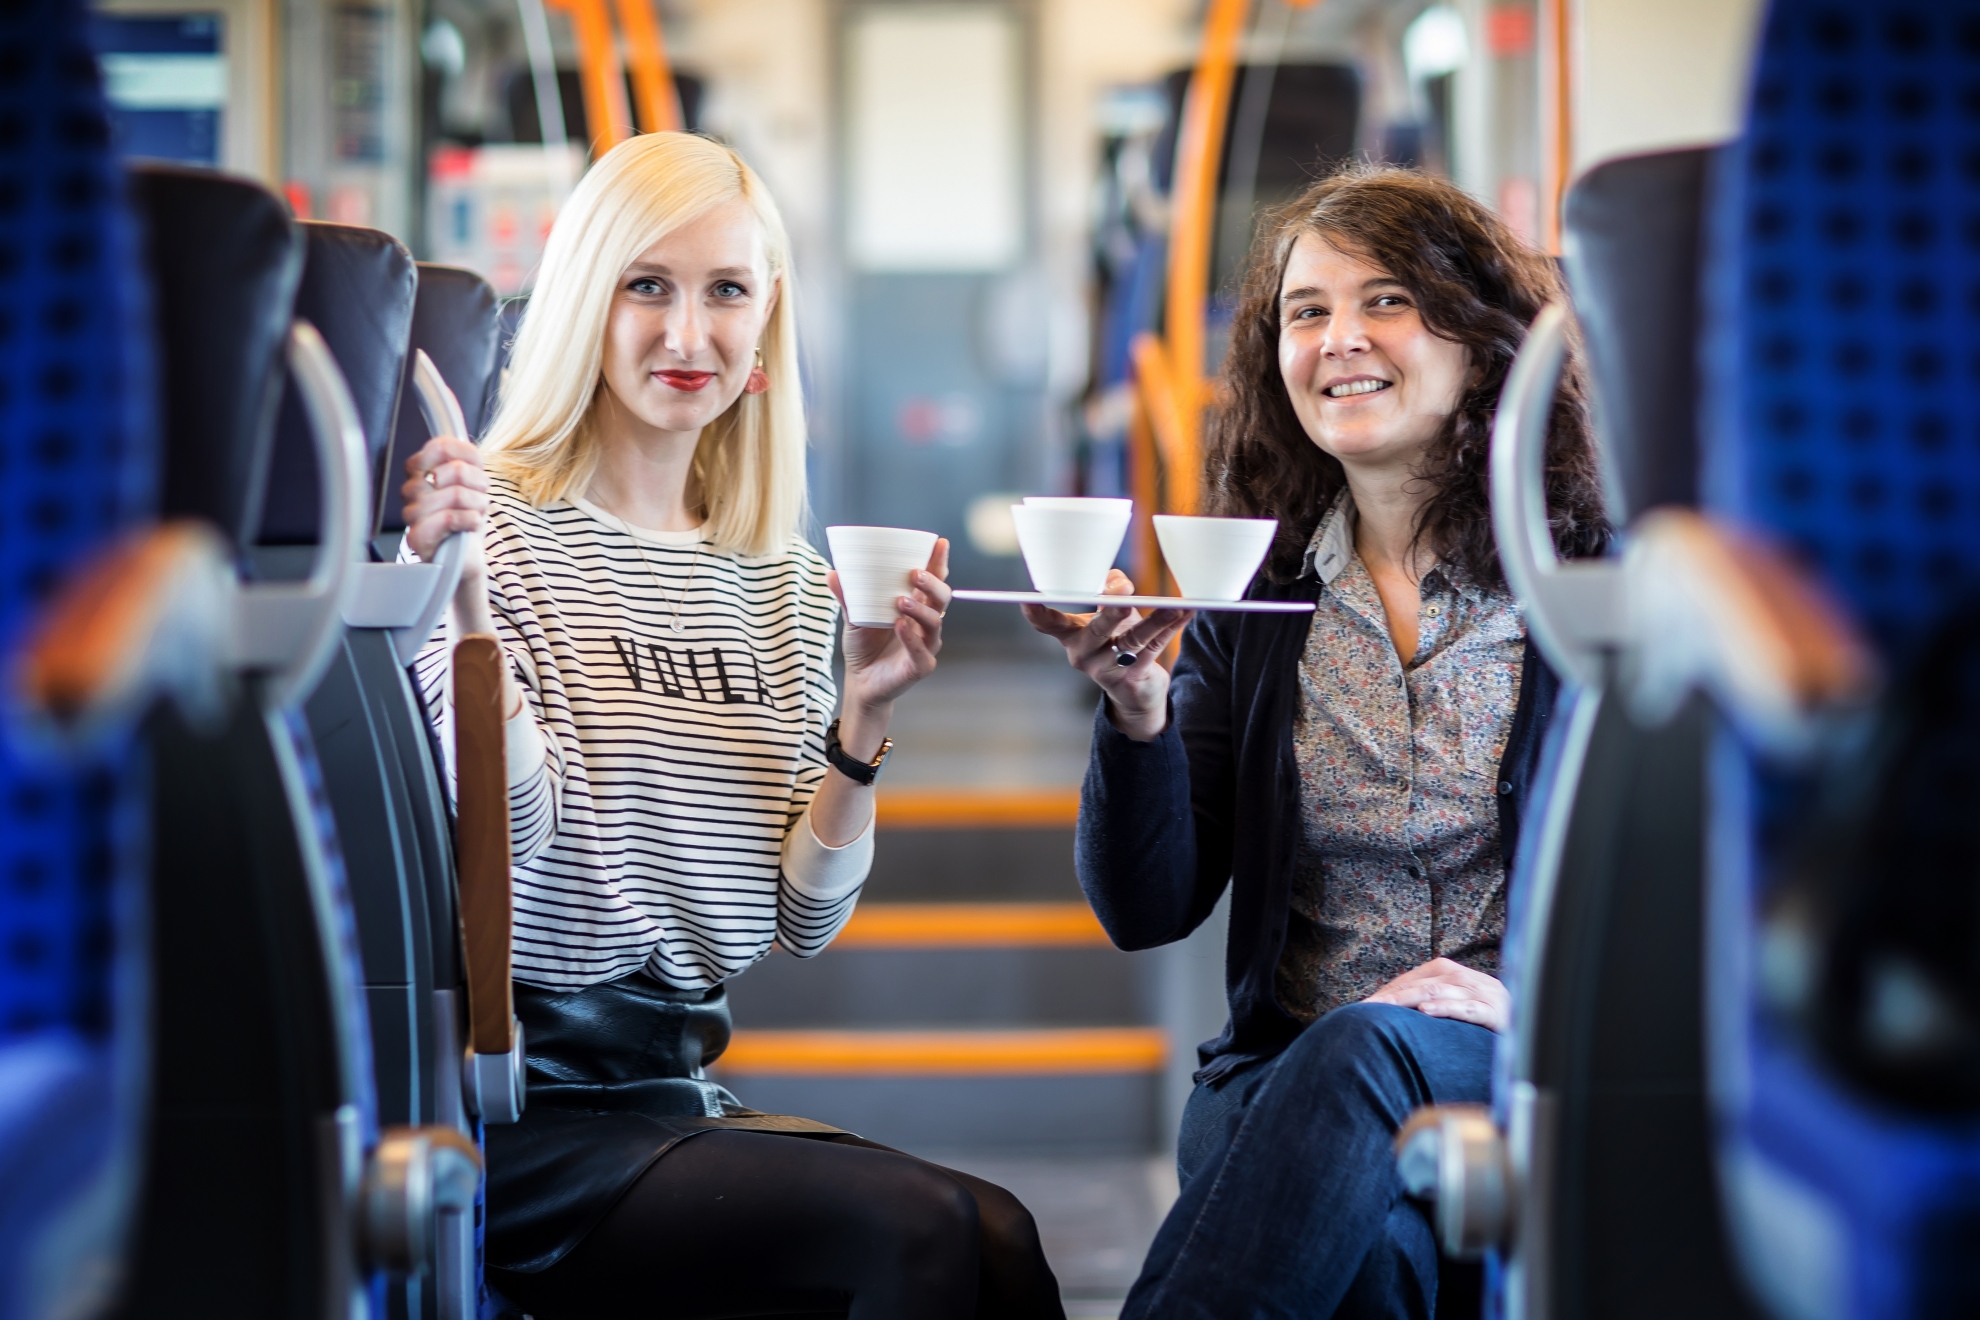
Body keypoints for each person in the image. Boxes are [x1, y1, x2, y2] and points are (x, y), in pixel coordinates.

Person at [399, 131, 1064, 1320]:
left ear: (765, 330)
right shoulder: (488, 532)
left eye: (727, 292)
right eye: (646, 286)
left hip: (676, 1093)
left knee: (1001, 1241)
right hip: (517, 1107)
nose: (687, 335)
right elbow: (521, 846)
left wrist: (862, 720)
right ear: (583, 305)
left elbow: (802, 925)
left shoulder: (787, 584)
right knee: (919, 1235)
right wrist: (460, 612)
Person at [1025, 166, 1609, 1318]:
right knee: (1377, 1249)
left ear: (1485, 339)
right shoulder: (1259, 602)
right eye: (1307, 311)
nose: (1340, 339)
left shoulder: (1593, 584)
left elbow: (1716, 885)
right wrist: (1134, 715)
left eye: (1386, 300)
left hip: (1522, 1061)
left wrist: (1539, 1005)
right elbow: (1147, 909)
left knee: (1363, 1049)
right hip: (1285, 1077)